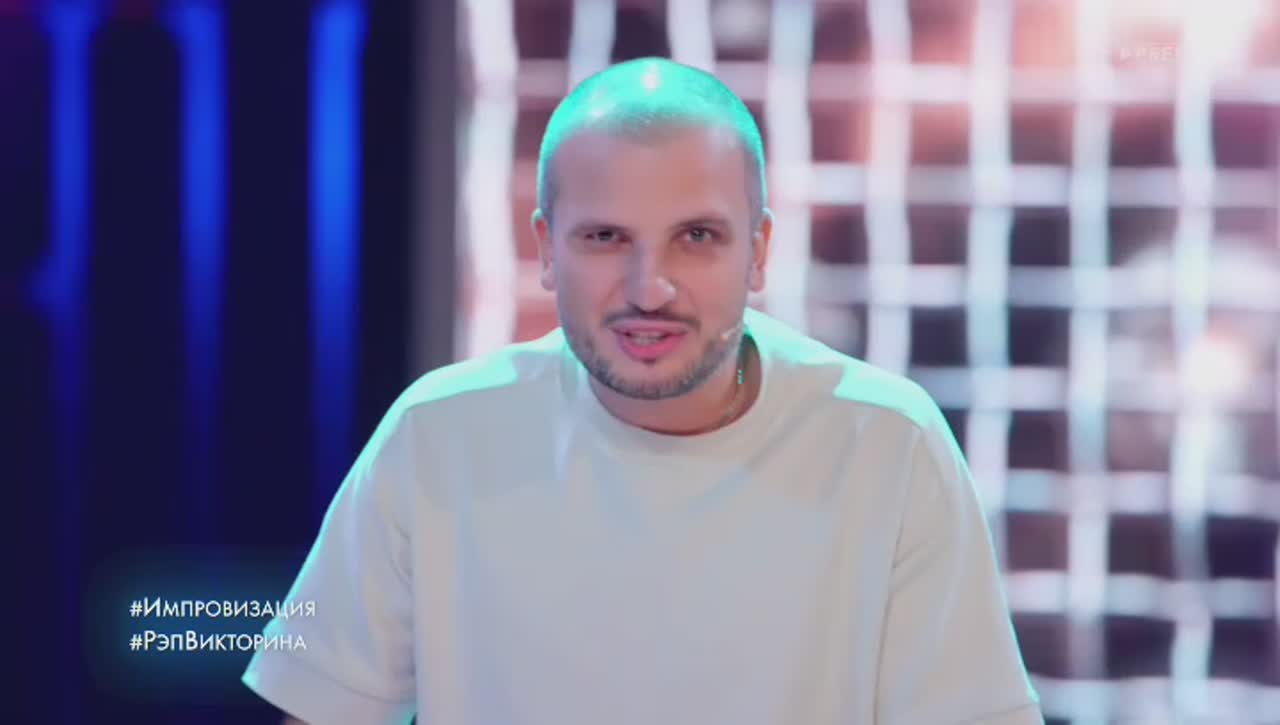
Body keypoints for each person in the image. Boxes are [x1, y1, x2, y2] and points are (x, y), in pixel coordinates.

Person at [242, 57, 1043, 725]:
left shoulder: (887, 443)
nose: (648, 288)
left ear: (759, 249)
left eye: (696, 236)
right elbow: (323, 707)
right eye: (605, 237)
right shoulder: (440, 434)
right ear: (545, 248)